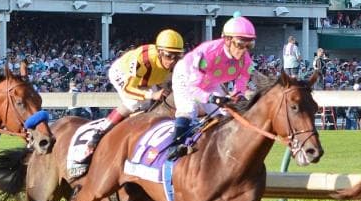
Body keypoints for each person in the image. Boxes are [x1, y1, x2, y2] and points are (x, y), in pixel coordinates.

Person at [67, 29, 185, 177]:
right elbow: (129, 89)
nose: (173, 61)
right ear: (160, 52)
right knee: (136, 103)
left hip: (150, 78)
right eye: (169, 56)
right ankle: (100, 132)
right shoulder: (142, 59)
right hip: (123, 75)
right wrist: (152, 94)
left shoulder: (175, 62)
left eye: (177, 56)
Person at [166, 15, 256, 160]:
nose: (244, 50)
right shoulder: (208, 53)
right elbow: (194, 89)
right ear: (227, 40)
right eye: (240, 44)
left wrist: (237, 95)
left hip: (210, 81)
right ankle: (175, 146)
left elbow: (242, 80)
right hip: (187, 76)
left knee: (226, 115)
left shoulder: (245, 60)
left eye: (249, 45)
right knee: (189, 110)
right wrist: (213, 98)